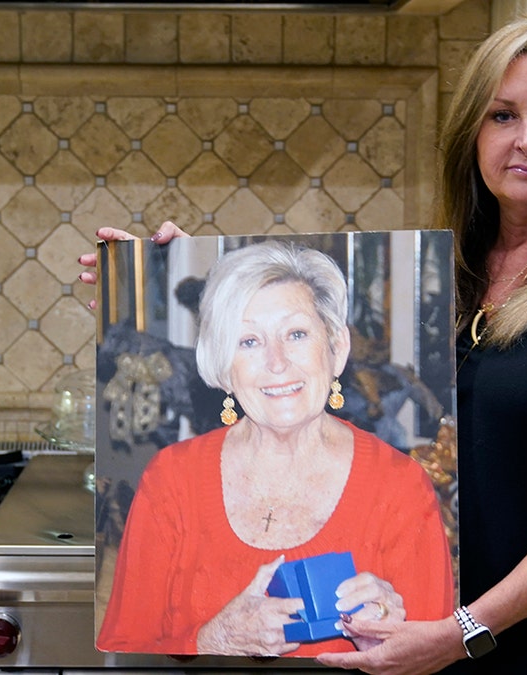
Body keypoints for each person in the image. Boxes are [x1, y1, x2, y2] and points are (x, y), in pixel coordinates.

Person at [80, 10, 527, 673]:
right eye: (503, 115)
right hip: (443, 647)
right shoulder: (453, 269)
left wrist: (462, 630)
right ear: (472, 135)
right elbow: (287, 368)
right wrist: (164, 280)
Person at [94, 240, 455, 657]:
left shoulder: (399, 485)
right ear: (222, 365)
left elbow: (434, 662)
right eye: (249, 341)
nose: (277, 362)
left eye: (297, 334)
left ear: (336, 348)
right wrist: (213, 641)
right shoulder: (172, 478)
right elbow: (122, 653)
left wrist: (387, 647)